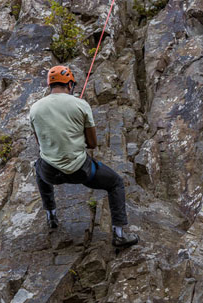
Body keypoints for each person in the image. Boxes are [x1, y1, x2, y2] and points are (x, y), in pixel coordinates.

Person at [29, 65, 139, 248]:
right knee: (116, 183)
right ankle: (119, 234)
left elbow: (40, 143)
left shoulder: (35, 109)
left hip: (50, 172)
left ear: (50, 85)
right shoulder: (80, 105)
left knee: (39, 167)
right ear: (70, 84)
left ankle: (51, 215)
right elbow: (92, 143)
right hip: (79, 170)